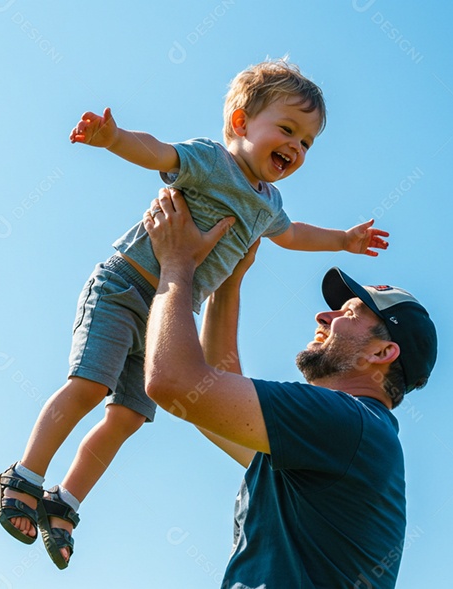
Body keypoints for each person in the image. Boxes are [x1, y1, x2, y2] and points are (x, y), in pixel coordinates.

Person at [0, 58, 389, 569]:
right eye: (287, 129)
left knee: (129, 415)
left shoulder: (270, 203)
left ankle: (63, 501)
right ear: (242, 123)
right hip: (126, 285)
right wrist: (113, 139)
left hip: (164, 314)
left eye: (308, 142)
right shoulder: (210, 160)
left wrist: (344, 240)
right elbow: (158, 150)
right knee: (90, 386)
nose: (296, 147)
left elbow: (293, 235)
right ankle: (25, 473)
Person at [142, 189, 437, 588]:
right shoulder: (342, 437)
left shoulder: (347, 422)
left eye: (348, 313)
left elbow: (174, 382)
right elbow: (210, 402)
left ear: (384, 352)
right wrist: (229, 278)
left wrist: (176, 264)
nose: (323, 315)